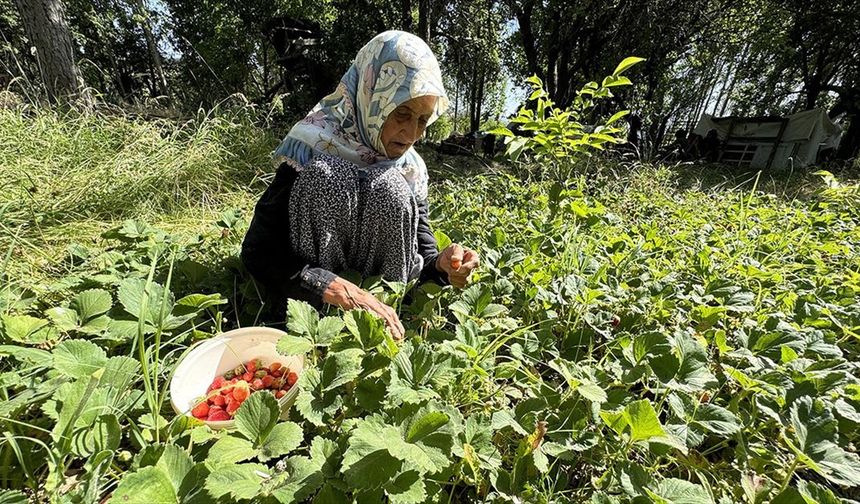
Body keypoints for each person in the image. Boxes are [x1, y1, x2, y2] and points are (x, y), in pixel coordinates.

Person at [241, 31, 480, 340]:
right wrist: (328, 286)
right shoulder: (313, 144)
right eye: (402, 113)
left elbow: (424, 262)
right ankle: (324, 320)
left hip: (385, 314)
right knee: (329, 175)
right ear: (371, 96)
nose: (411, 134)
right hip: (313, 305)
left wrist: (445, 266)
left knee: (391, 187)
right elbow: (259, 252)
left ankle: (384, 321)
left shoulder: (409, 169)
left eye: (422, 120)